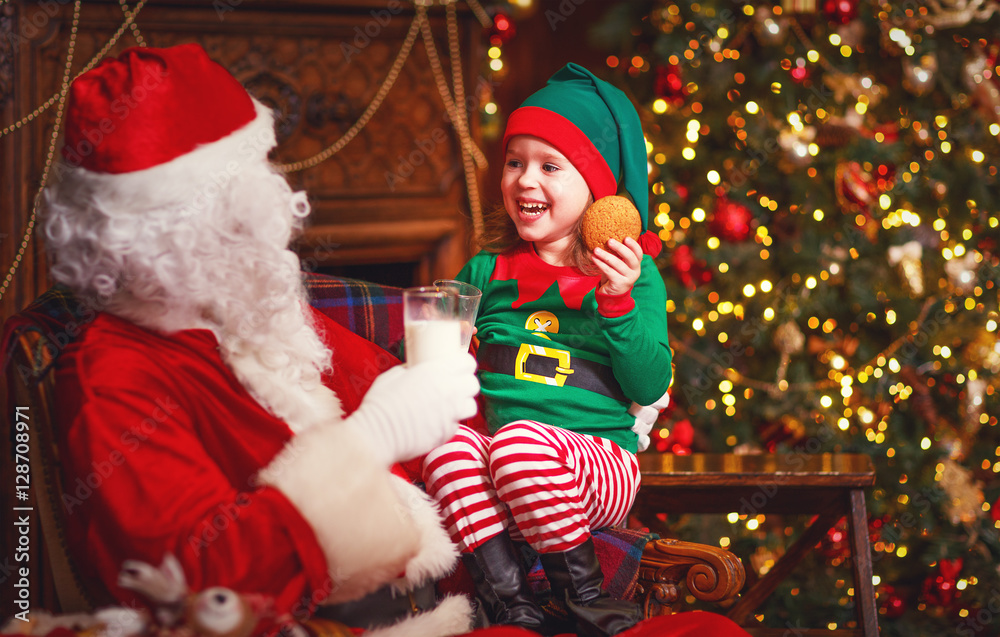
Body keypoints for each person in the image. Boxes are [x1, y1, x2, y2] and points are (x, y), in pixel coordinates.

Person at [37, 43, 483, 636]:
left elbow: (411, 388)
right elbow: (199, 586)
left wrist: (578, 405)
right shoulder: (112, 378)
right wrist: (370, 438)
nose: (274, 200)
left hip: (443, 598)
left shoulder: (247, 310)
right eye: (248, 185)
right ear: (174, 229)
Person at [422, 64, 675, 636]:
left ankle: (587, 599)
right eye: (515, 162)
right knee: (446, 447)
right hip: (504, 464)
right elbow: (432, 370)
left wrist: (617, 300)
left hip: (597, 463)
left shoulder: (633, 274)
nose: (524, 180)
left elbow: (648, 384)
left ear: (597, 188)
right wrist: (441, 347)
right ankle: (512, 602)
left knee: (516, 442)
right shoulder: (485, 270)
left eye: (550, 166)